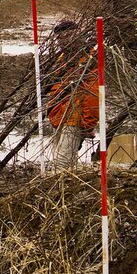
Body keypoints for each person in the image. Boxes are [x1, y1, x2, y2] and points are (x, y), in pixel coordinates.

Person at [46, 21, 98, 169]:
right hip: (61, 116)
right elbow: (55, 90)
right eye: (60, 39)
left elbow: (92, 95)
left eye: (67, 36)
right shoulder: (62, 59)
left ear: (77, 35)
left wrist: (88, 124)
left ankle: (58, 189)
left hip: (75, 117)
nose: (63, 41)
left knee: (62, 163)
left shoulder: (89, 60)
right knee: (63, 158)